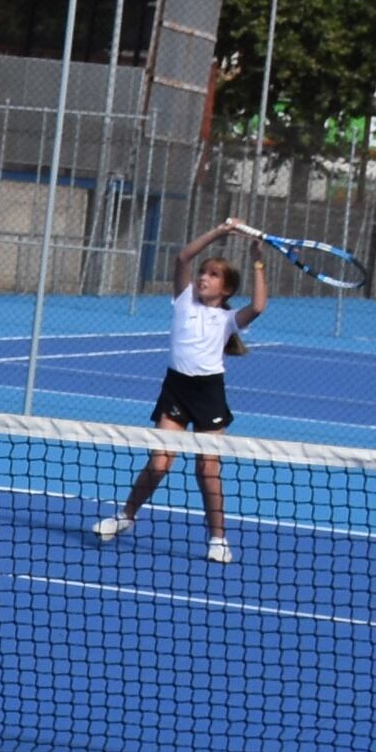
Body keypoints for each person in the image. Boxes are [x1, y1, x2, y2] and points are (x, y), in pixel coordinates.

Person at [92, 218, 265, 564]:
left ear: (227, 290)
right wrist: (218, 231)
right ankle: (125, 517)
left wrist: (257, 258)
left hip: (208, 393)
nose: (204, 277)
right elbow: (183, 257)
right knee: (158, 463)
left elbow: (259, 306)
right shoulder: (184, 300)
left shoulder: (228, 320)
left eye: (214, 275)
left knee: (207, 469)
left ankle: (218, 539)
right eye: (204, 272)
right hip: (175, 389)